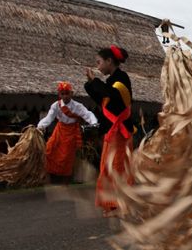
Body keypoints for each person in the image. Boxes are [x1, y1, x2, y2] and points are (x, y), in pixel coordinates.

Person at [84, 46, 134, 216]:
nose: (98, 67)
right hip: (112, 131)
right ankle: (113, 204)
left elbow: (111, 95)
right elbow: (102, 100)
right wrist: (91, 83)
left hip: (120, 132)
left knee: (117, 168)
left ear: (109, 61)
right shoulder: (111, 81)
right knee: (108, 167)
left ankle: (119, 205)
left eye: (99, 62)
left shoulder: (121, 79)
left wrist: (95, 82)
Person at [37, 82, 98, 184]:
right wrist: (40, 127)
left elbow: (88, 114)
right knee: (49, 150)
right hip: (59, 131)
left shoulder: (78, 106)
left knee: (66, 157)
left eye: (67, 93)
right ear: (59, 94)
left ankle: (65, 183)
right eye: (62, 93)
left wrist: (94, 123)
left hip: (71, 133)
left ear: (71, 93)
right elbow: (49, 118)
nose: (65, 96)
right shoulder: (56, 106)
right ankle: (49, 179)